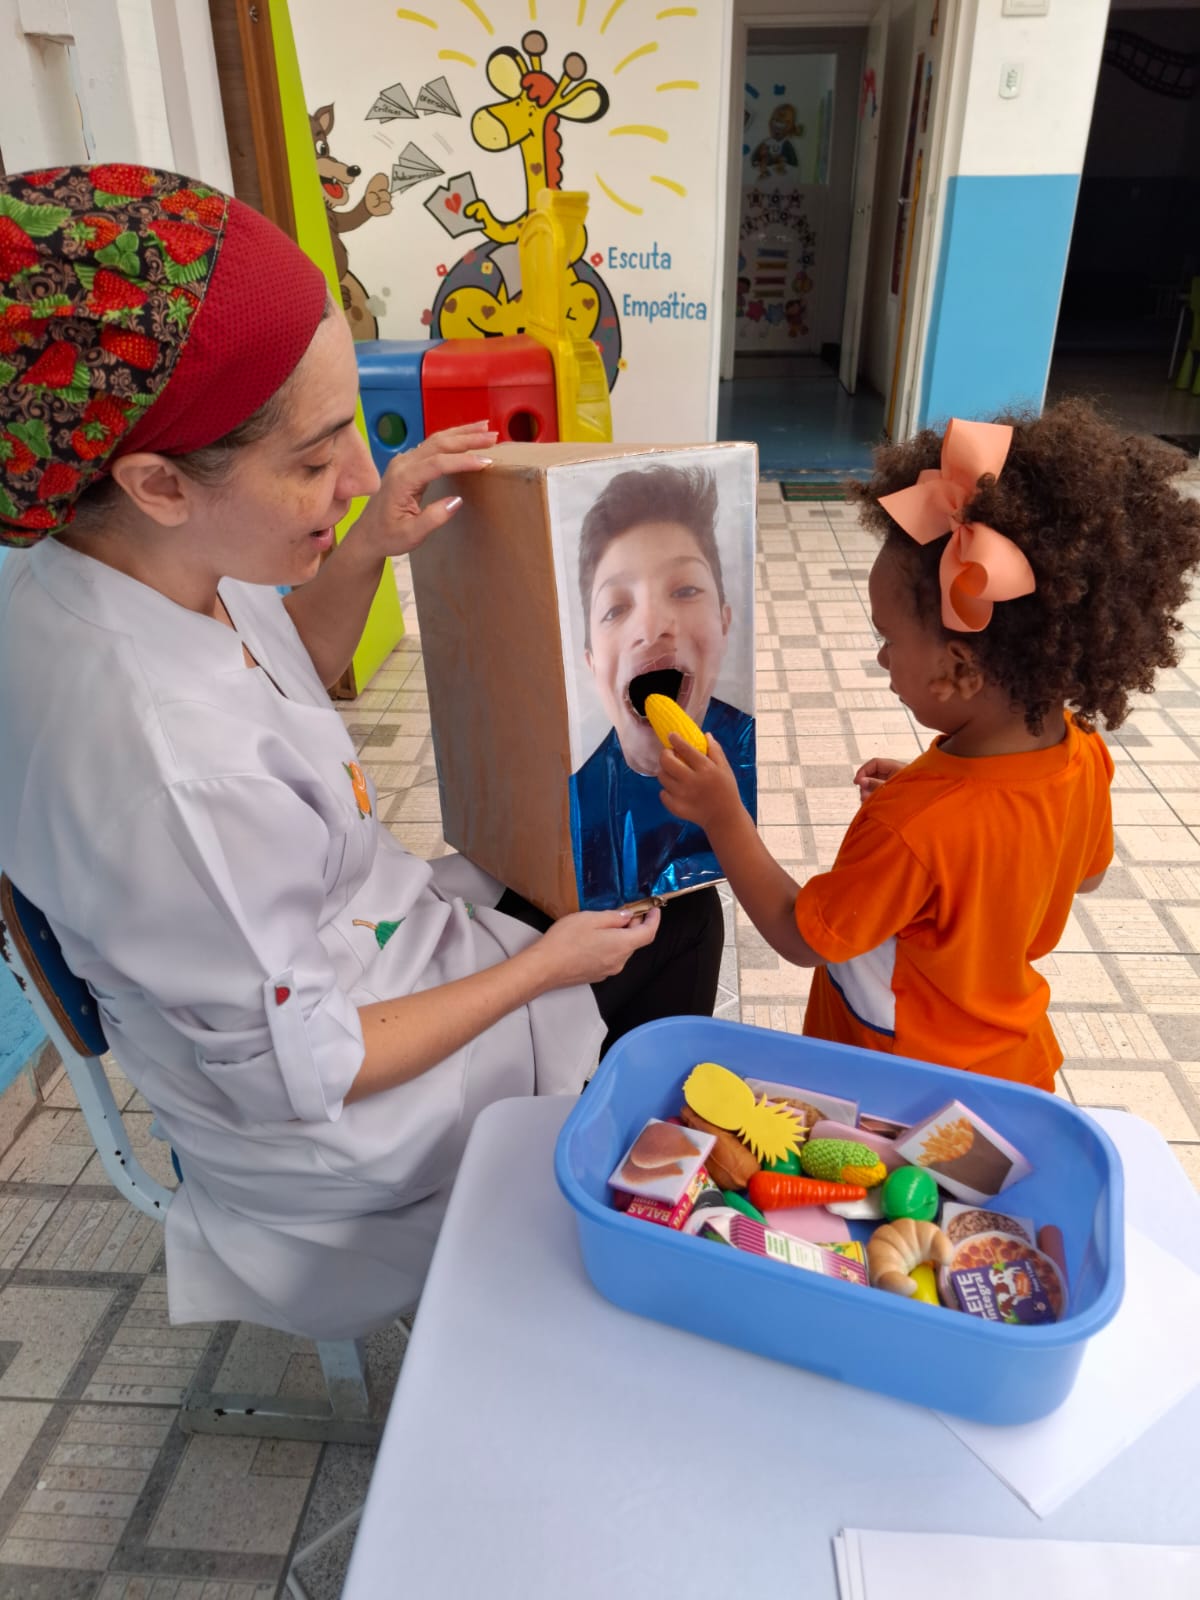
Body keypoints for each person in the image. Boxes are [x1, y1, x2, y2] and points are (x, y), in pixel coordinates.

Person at [0, 164, 723, 1340]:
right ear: (158, 481)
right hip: (340, 1135)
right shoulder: (172, 772)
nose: (356, 475)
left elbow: (281, 672)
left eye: (354, 431)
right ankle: (606, 1248)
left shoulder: (110, 562)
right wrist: (541, 969)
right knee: (668, 918)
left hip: (360, 949)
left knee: (641, 889)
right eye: (313, 458)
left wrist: (368, 543)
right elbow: (316, 1065)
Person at [657, 405, 1200, 1091]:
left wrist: (722, 815)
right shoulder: (1080, 752)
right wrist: (943, 828)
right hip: (1012, 1070)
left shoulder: (912, 828)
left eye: (887, 637)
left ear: (960, 670)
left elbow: (801, 934)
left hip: (901, 1095)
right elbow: (1078, 872)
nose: (881, 656)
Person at [569, 462, 755, 908]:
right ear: (592, 663)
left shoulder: (744, 751)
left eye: (685, 590)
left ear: (724, 623)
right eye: (616, 608)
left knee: (699, 915)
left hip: (695, 905)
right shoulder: (574, 802)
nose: (651, 629)